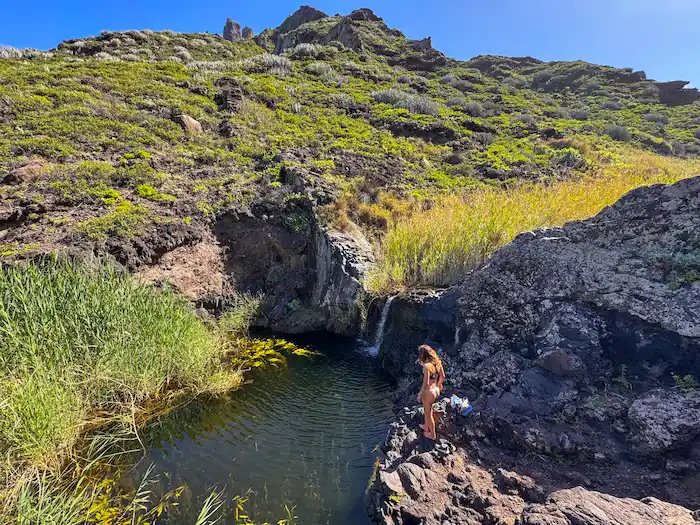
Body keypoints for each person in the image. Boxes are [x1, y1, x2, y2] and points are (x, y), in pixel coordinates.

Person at [415, 344, 445, 440]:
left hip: (429, 391)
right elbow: (442, 376)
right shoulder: (437, 363)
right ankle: (426, 426)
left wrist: (420, 393)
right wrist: (439, 385)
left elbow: (426, 382)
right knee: (428, 409)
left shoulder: (427, 366)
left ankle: (432, 435)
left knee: (428, 413)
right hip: (436, 390)